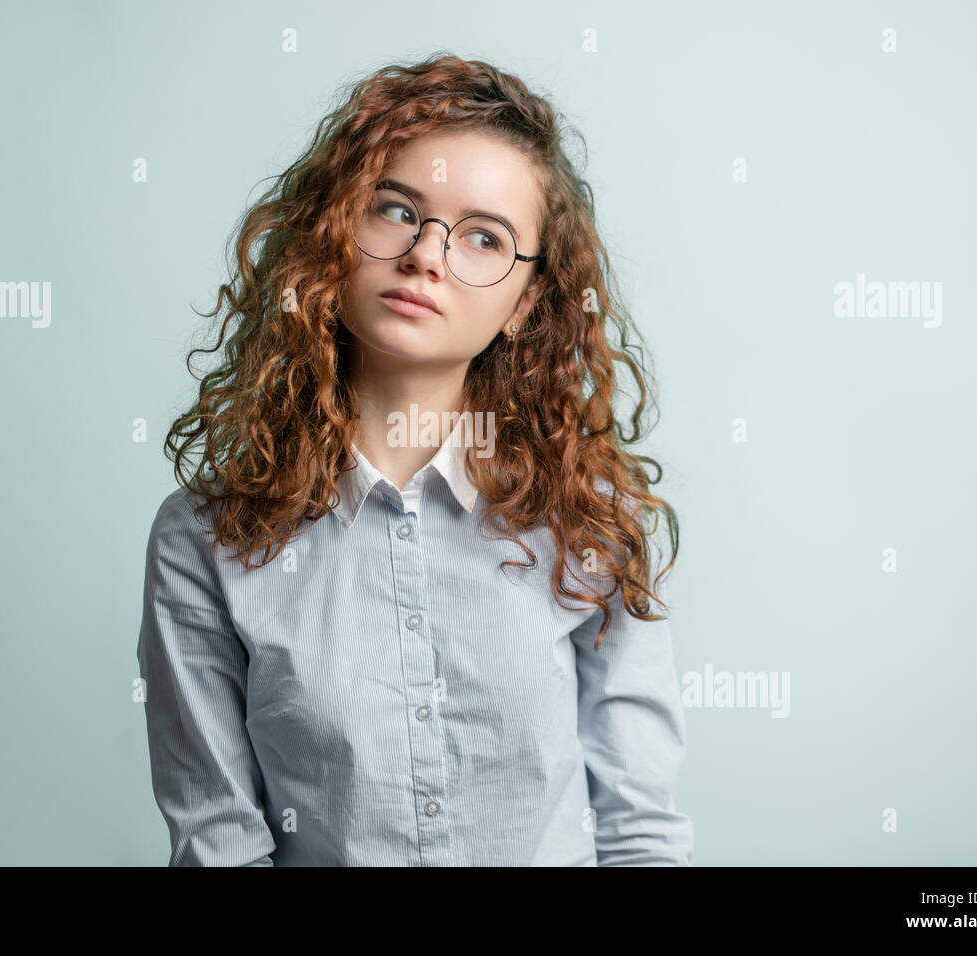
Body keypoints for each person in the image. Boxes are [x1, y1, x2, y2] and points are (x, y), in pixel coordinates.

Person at [136, 52, 692, 866]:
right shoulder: (202, 541)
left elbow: (637, 832)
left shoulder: (594, 521)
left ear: (526, 301)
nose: (428, 256)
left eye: (483, 237)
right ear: (334, 233)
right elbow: (221, 845)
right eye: (396, 210)